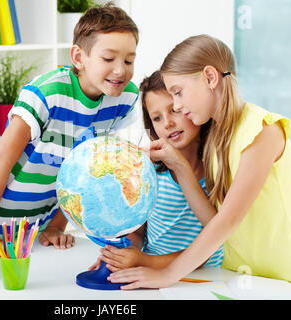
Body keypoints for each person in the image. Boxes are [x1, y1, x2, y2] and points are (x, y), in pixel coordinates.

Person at [108, 34, 291, 288]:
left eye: (178, 93)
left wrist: (166, 275)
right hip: (239, 276)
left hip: (290, 278)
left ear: (210, 78)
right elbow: (213, 221)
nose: (177, 104)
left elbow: (227, 221)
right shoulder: (219, 138)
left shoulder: (263, 130)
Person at [0, 3, 140, 250]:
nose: (120, 70)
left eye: (129, 60)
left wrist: (56, 226)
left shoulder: (124, 99)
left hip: (29, 225)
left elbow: (87, 173)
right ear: (79, 57)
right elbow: (0, 162)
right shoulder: (47, 94)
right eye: (108, 58)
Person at [91, 71, 223, 272]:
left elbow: (216, 238)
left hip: (204, 278)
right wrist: (123, 256)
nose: (167, 123)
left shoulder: (217, 169)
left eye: (175, 110)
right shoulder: (149, 172)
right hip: (151, 275)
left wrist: (144, 261)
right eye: (157, 118)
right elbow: (138, 233)